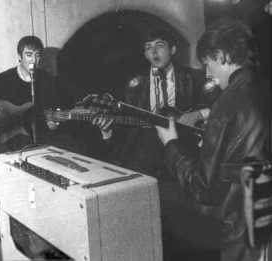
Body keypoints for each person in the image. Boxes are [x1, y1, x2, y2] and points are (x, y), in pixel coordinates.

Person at [155, 20, 270, 261]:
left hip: (241, 227)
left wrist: (171, 144)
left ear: (221, 55)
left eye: (208, 64)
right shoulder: (263, 86)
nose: (208, 74)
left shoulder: (226, 104)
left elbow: (205, 189)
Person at [92, 28, 216, 177]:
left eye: (160, 45)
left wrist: (199, 114)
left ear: (173, 49)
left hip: (184, 150)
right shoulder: (134, 84)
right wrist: (107, 130)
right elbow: (124, 128)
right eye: (148, 48)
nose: (154, 52)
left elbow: (220, 105)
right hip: (144, 157)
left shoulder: (195, 77)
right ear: (145, 54)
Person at [0, 36, 60, 153]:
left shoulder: (48, 80)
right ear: (19, 57)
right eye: (29, 55)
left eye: (37, 55)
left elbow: (55, 110)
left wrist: (53, 124)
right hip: (11, 139)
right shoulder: (5, 79)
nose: (33, 60)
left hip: (40, 137)